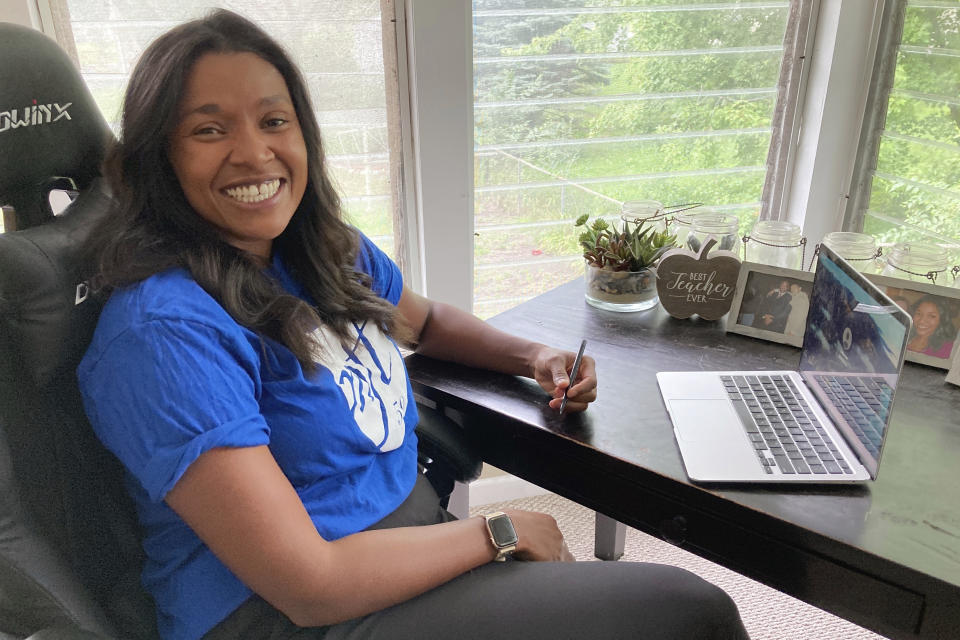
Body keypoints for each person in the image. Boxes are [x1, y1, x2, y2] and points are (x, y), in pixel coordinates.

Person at [76, 10, 748, 640]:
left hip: (403, 549)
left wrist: (533, 355)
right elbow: (308, 585)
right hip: (289, 616)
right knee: (691, 615)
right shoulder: (163, 335)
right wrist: (499, 531)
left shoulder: (316, 249)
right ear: (159, 158)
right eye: (209, 129)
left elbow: (422, 321)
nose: (255, 154)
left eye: (274, 121)